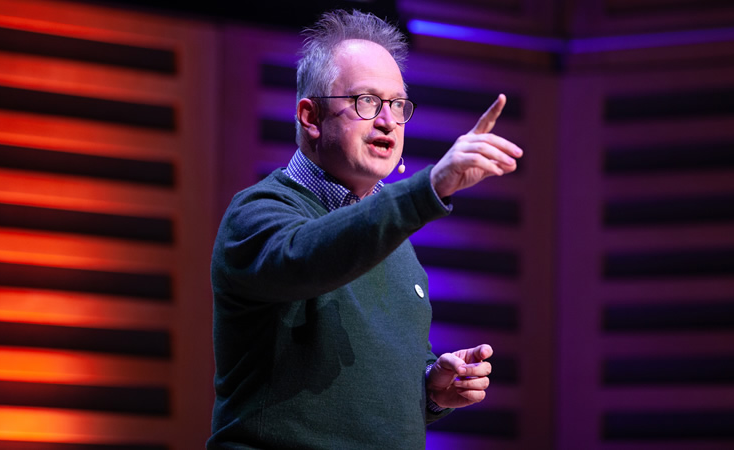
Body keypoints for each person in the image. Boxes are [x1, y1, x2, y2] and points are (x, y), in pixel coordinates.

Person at [208, 9, 523, 449]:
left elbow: (369, 395)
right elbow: (309, 257)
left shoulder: (394, 240)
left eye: (397, 104)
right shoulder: (258, 214)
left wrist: (432, 388)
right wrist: (429, 187)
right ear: (310, 116)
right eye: (366, 101)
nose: (388, 121)